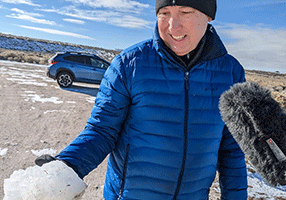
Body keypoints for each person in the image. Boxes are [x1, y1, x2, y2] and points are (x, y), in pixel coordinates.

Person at [36, 0, 248, 199]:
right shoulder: (128, 65)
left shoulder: (231, 73)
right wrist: (65, 167)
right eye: (164, 14)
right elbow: (102, 130)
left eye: (185, 12)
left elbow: (231, 149)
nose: (173, 27)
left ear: (208, 16)